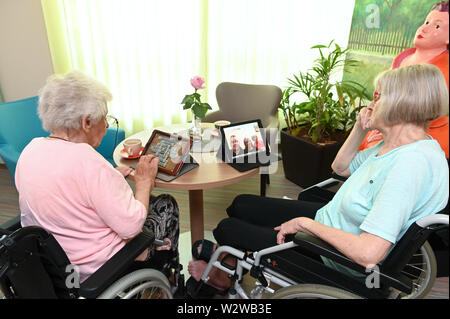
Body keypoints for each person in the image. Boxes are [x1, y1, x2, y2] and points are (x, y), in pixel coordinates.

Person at [188, 64, 449, 294]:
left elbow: (368, 254)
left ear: (400, 103)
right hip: (335, 220)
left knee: (227, 227)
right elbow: (341, 167)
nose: (371, 104)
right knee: (241, 203)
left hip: (334, 258)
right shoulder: (400, 144)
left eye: (378, 97)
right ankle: (230, 264)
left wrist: (306, 224)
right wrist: (359, 128)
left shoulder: (409, 166)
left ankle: (222, 274)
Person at [15, 70, 180, 283]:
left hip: (56, 269)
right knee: (166, 204)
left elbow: (67, 194)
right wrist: (144, 183)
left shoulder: (31, 150)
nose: (107, 124)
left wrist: (109, 180)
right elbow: (131, 228)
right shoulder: (89, 162)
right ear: (87, 123)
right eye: (105, 117)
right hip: (101, 271)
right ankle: (169, 282)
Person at [359, 1, 449, 158]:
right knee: (364, 152)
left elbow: (422, 110)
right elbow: (381, 92)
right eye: (426, 22)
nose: (424, 28)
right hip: (386, 121)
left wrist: (387, 129)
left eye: (436, 26)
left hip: (420, 130)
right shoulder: (404, 57)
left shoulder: (443, 69)